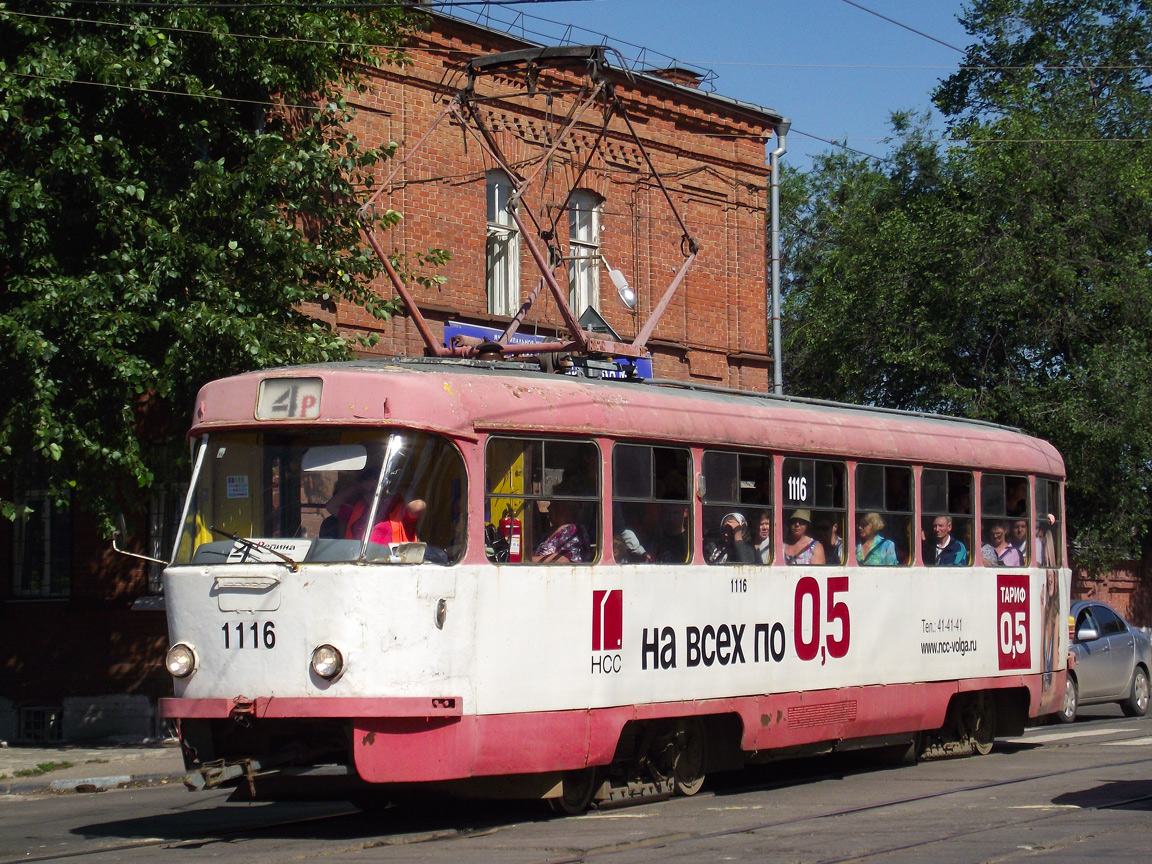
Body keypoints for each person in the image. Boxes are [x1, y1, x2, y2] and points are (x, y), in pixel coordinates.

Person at [533, 498, 592, 563]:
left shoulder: (572, 530)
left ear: (564, 510)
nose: (548, 508)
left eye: (553, 504)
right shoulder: (551, 530)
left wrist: (532, 560)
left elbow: (564, 559)